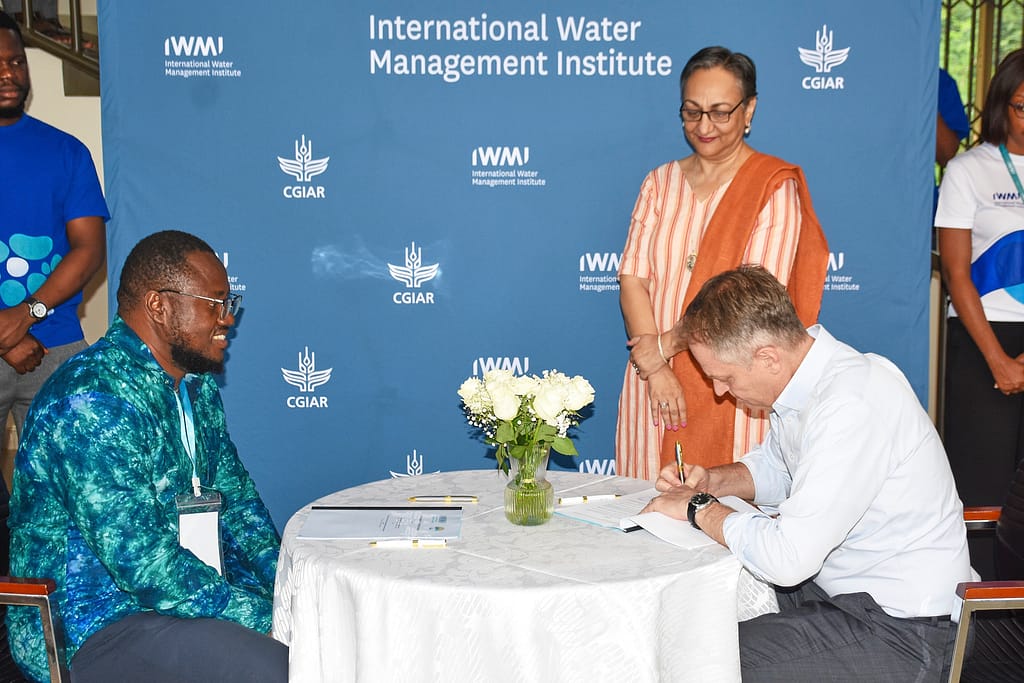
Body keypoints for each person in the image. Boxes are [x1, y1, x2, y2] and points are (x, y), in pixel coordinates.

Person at [644, 265, 973, 682]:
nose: (721, 391)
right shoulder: (809, 383)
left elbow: (788, 561)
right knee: (685, 622)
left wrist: (697, 507)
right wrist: (711, 481)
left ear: (768, 357)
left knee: (694, 661)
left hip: (907, 630)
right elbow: (782, 472)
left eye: (724, 377)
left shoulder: (852, 402)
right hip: (840, 597)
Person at [6, 231, 287, 682]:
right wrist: (264, 618)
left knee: (322, 640)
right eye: (214, 303)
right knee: (282, 668)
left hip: (188, 600)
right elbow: (144, 565)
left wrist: (289, 593)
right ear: (159, 305)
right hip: (93, 623)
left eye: (228, 303)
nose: (227, 319)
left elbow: (239, 506)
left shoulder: (196, 386)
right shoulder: (91, 401)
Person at [615, 45, 828, 480]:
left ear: (749, 110)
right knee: (645, 501)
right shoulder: (659, 183)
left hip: (733, 386)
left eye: (720, 112)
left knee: (719, 511)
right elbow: (634, 279)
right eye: (692, 112)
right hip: (651, 381)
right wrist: (655, 367)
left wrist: (665, 349)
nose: (704, 126)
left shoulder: (771, 188)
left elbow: (745, 303)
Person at [0, 10, 107, 571]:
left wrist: (29, 313)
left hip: (56, 341)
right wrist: (7, 333)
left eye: (16, 61)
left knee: (79, 489)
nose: (9, 73)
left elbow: (88, 249)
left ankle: (74, 617)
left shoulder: (65, 151)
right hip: (18, 338)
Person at [936, 49, 1024, 517]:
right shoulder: (968, 170)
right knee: (984, 488)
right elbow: (956, 273)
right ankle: (986, 589)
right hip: (983, 338)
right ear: (1000, 106)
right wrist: (1001, 362)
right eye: (1022, 106)